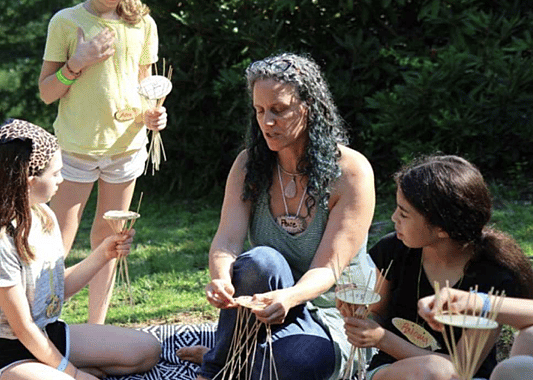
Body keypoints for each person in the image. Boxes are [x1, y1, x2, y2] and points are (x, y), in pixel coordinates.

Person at [177, 53, 377, 380]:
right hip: (268, 309)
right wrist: (221, 278)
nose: (267, 121)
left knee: (285, 365)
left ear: (308, 107)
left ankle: (234, 358)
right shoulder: (249, 165)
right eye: (259, 111)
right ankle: (217, 368)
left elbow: (328, 269)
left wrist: (290, 296)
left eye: (279, 110)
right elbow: (227, 241)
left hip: (332, 317)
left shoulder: (350, 173)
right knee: (261, 262)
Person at [38, 0, 168, 324]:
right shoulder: (66, 22)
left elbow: (144, 86)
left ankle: (96, 328)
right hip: (75, 150)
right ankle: (44, 324)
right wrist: (78, 62)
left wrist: (153, 115)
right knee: (58, 242)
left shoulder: (143, 25)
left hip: (126, 150)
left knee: (110, 240)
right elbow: (46, 91)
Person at [0, 119, 160, 380]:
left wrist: (104, 253)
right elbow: (22, 328)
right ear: (30, 180)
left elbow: (56, 290)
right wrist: (75, 374)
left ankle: (52, 369)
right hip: (7, 353)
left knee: (147, 350)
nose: (62, 179)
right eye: (55, 173)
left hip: (48, 334)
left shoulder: (44, 215)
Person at [340, 155, 533, 380]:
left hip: (464, 375)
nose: (393, 218)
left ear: (442, 228)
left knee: (435, 370)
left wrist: (382, 339)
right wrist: (361, 320)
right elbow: (378, 314)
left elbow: (462, 368)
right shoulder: (394, 250)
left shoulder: (493, 276)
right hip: (391, 370)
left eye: (404, 213)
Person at [419, 284, 533, 379]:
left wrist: (482, 303)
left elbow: (459, 367)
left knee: (515, 368)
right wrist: (480, 302)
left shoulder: (496, 276)